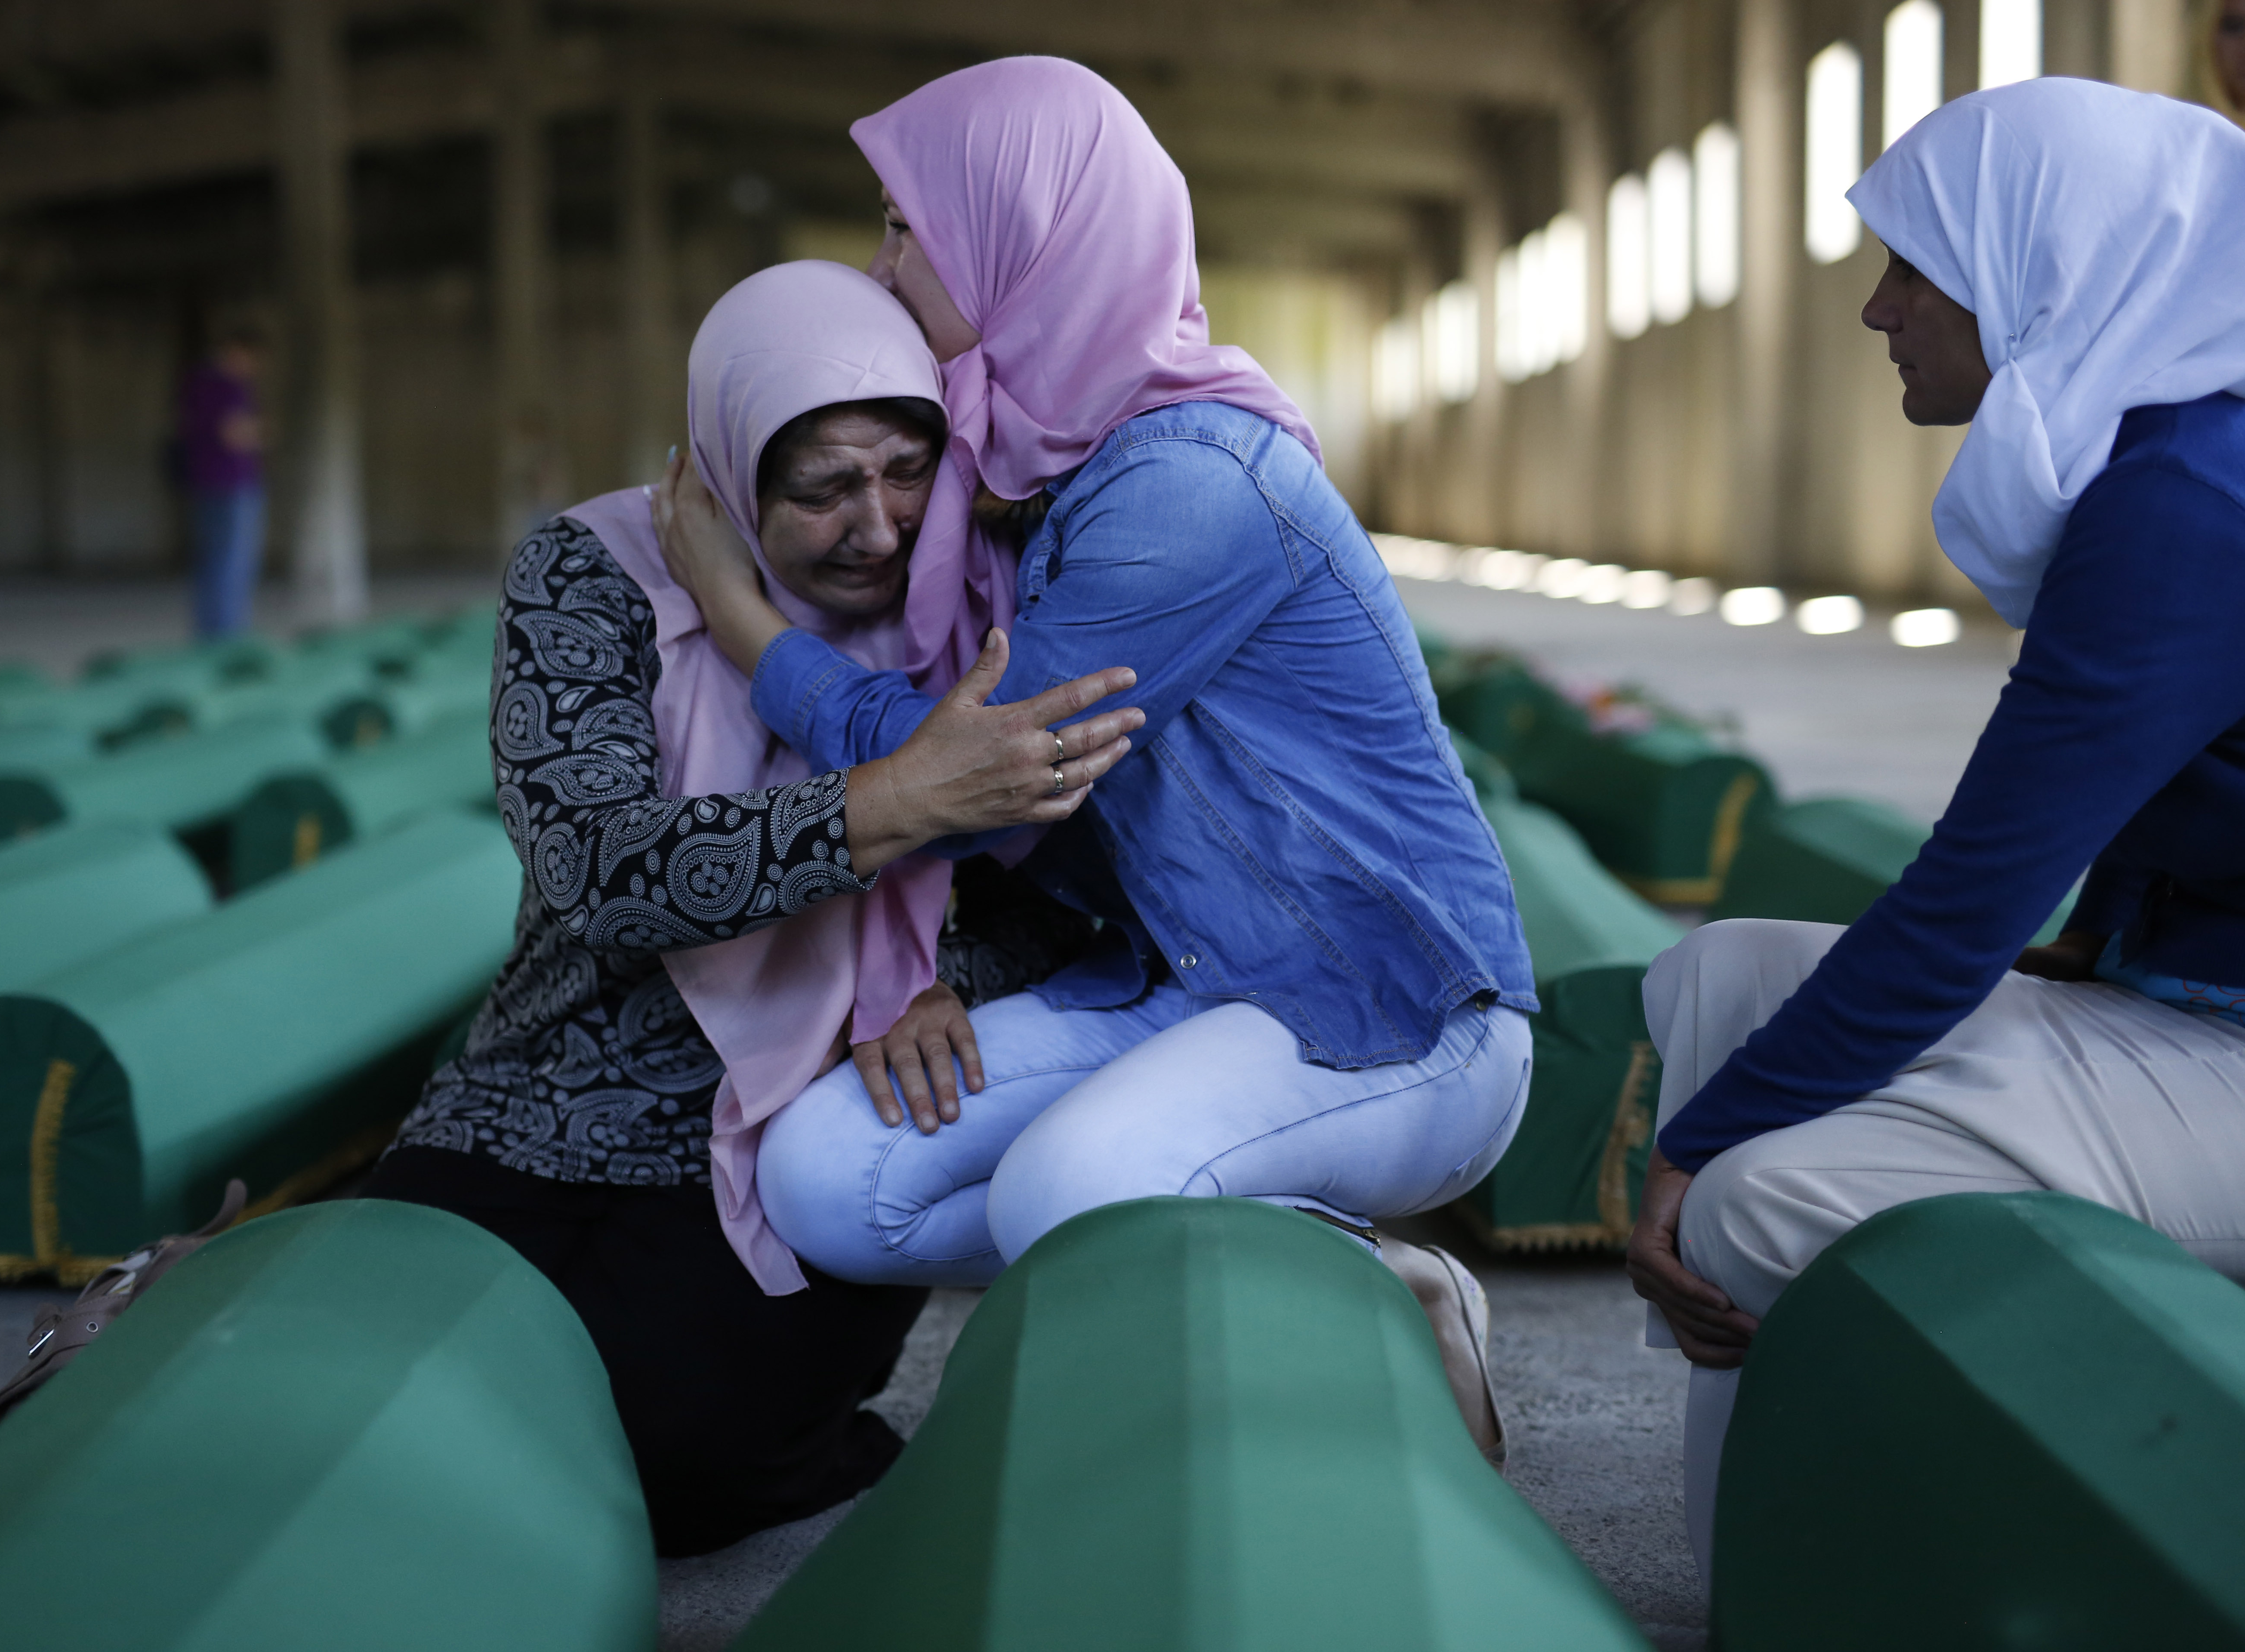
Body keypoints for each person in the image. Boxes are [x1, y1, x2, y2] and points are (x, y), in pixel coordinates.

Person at [654, 56, 1531, 1464]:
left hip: (1394, 1010)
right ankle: (1261, 1262)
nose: (879, 267)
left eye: (902, 227)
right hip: (1181, 981)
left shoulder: (1189, 487)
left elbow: (960, 776)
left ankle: (1382, 1298)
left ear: (1025, 237)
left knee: (1066, 1190)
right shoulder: (1028, 476)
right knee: (827, 1180)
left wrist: (744, 616)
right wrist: (920, 972)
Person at [366, 259, 1137, 1555]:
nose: (881, 527)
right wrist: (895, 799)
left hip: (809, 1111)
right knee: (376, 1368)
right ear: (732, 468)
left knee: (682, 1458)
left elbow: (1083, 895)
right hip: (548, 1087)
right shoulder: (589, 574)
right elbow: (598, 869)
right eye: (824, 485)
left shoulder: (992, 600)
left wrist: (943, 971)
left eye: (906, 470)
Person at [1623, 78, 2245, 1584]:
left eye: (1915, 265)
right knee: (1722, 976)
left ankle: (1815, 1550)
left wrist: (1689, 1163)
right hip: (2196, 996)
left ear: (2045, 265)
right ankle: (1746, 1574)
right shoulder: (2171, 459)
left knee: (1760, 1200)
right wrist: (2100, 936)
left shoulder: (2188, 505)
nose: (1876, 309)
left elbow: (1964, 900)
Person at [177, 330, 267, 638]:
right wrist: (260, 432)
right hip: (234, 484)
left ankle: (209, 632)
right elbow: (236, 436)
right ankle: (229, 634)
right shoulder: (231, 387)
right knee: (234, 562)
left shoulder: (195, 383)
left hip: (204, 483)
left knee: (212, 561)